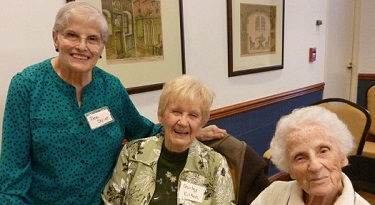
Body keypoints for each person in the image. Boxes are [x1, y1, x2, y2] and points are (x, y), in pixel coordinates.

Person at [0, 2, 225, 205]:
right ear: (55, 38)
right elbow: (12, 177)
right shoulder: (27, 87)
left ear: (102, 46)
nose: (82, 46)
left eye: (92, 39)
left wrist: (193, 132)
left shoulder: (111, 89)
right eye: (72, 35)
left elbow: (143, 131)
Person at [102, 75, 236, 205]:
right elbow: (111, 201)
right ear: (161, 115)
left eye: (193, 115)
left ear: (202, 122)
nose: (183, 122)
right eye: (176, 112)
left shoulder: (215, 165)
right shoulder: (132, 154)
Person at [251, 106, 370, 205]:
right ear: (290, 170)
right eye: (300, 157)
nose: (315, 166)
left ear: (342, 157)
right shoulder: (274, 195)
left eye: (323, 151)